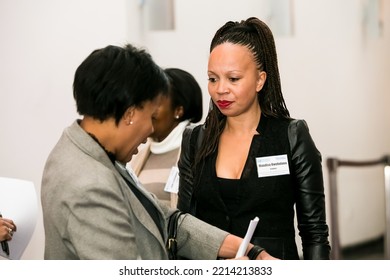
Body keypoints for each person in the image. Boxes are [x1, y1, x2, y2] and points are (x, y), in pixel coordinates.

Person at [41, 43, 277, 260]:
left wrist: (250, 250)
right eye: (151, 116)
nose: (151, 130)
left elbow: (165, 220)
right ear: (130, 114)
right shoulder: (88, 185)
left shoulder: (95, 154)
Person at [177, 17, 331, 260]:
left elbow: (314, 233)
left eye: (234, 78)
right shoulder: (196, 139)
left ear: (260, 79)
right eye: (212, 79)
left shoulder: (290, 136)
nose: (221, 89)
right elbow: (184, 227)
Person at [130, 68, 203, 207]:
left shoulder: (196, 152)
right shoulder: (136, 155)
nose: (147, 110)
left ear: (178, 110)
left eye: (156, 103)